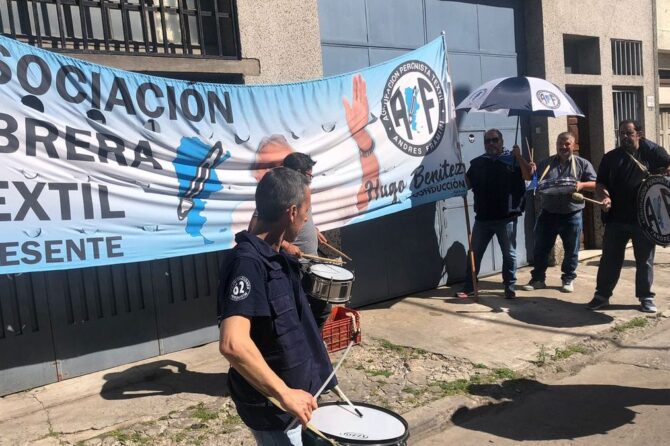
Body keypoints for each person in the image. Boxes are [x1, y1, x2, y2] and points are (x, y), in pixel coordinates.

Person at [218, 167, 335, 445]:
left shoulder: (274, 254)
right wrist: (285, 394)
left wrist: (281, 244)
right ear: (291, 212)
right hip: (274, 410)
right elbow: (233, 344)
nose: (307, 219)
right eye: (306, 211)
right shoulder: (247, 264)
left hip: (299, 403)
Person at [587, 120, 670, 313]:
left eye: (629, 133)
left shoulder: (651, 154)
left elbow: (667, 162)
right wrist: (605, 196)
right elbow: (600, 183)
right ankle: (602, 296)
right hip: (616, 219)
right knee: (609, 259)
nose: (624, 137)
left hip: (645, 220)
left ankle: (645, 297)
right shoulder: (610, 157)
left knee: (644, 261)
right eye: (622, 133)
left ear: (639, 134)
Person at [249, 152, 333, 329]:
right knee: (298, 311)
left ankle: (314, 341)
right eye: (309, 175)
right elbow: (255, 230)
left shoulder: (302, 192)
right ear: (298, 172)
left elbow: (302, 218)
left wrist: (313, 230)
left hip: (311, 262)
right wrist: (287, 246)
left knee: (323, 307)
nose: (310, 179)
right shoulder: (278, 195)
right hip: (292, 264)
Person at [457, 129, 534, 299]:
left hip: (506, 218)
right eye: (487, 141)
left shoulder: (513, 160)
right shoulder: (478, 163)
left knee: (509, 254)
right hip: (483, 218)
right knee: (474, 254)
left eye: (494, 140)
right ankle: (469, 286)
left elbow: (528, 176)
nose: (491, 144)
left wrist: (519, 157)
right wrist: (461, 172)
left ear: (502, 141)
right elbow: (467, 185)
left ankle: (509, 287)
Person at [521, 132, 596, 293]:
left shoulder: (582, 163)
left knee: (571, 250)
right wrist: (531, 171)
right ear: (556, 145)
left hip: (572, 213)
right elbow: (532, 184)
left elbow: (596, 184)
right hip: (548, 213)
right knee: (540, 248)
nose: (563, 146)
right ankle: (538, 279)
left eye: (567, 143)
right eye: (560, 143)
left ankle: (568, 278)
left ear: (573, 145)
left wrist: (582, 185)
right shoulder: (545, 163)